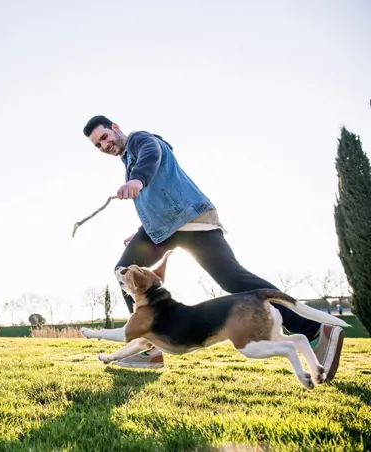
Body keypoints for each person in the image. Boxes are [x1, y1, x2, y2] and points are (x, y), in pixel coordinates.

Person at [82, 115, 345, 382]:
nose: (104, 145)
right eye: (97, 145)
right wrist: (143, 228)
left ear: (115, 128)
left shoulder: (141, 140)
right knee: (124, 272)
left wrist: (137, 180)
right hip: (162, 229)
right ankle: (148, 345)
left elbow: (152, 154)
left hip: (190, 220)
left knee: (233, 278)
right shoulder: (127, 160)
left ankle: (314, 331)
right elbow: (156, 196)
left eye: (104, 137)